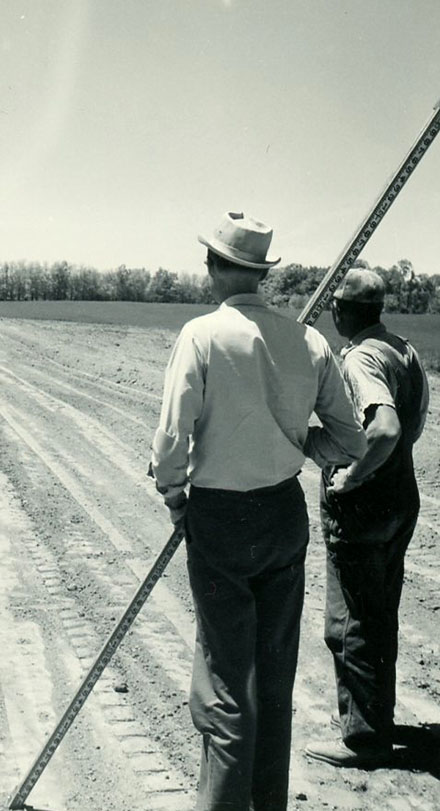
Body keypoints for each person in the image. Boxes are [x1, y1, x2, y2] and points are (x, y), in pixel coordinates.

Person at [150, 212, 367, 811]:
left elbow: (172, 439)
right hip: (282, 517)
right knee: (274, 681)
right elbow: (352, 440)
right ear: (261, 274)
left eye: (208, 261)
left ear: (220, 269)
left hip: (219, 519)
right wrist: (299, 444)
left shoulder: (201, 335)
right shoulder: (311, 342)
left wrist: (174, 495)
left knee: (225, 685)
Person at [304, 269, 429, 768]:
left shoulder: (359, 359)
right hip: (401, 495)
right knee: (380, 614)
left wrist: (352, 476)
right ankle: (378, 717)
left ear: (343, 309)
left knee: (350, 622)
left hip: (364, 506)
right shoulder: (404, 348)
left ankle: (361, 739)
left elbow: (388, 427)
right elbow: (415, 421)